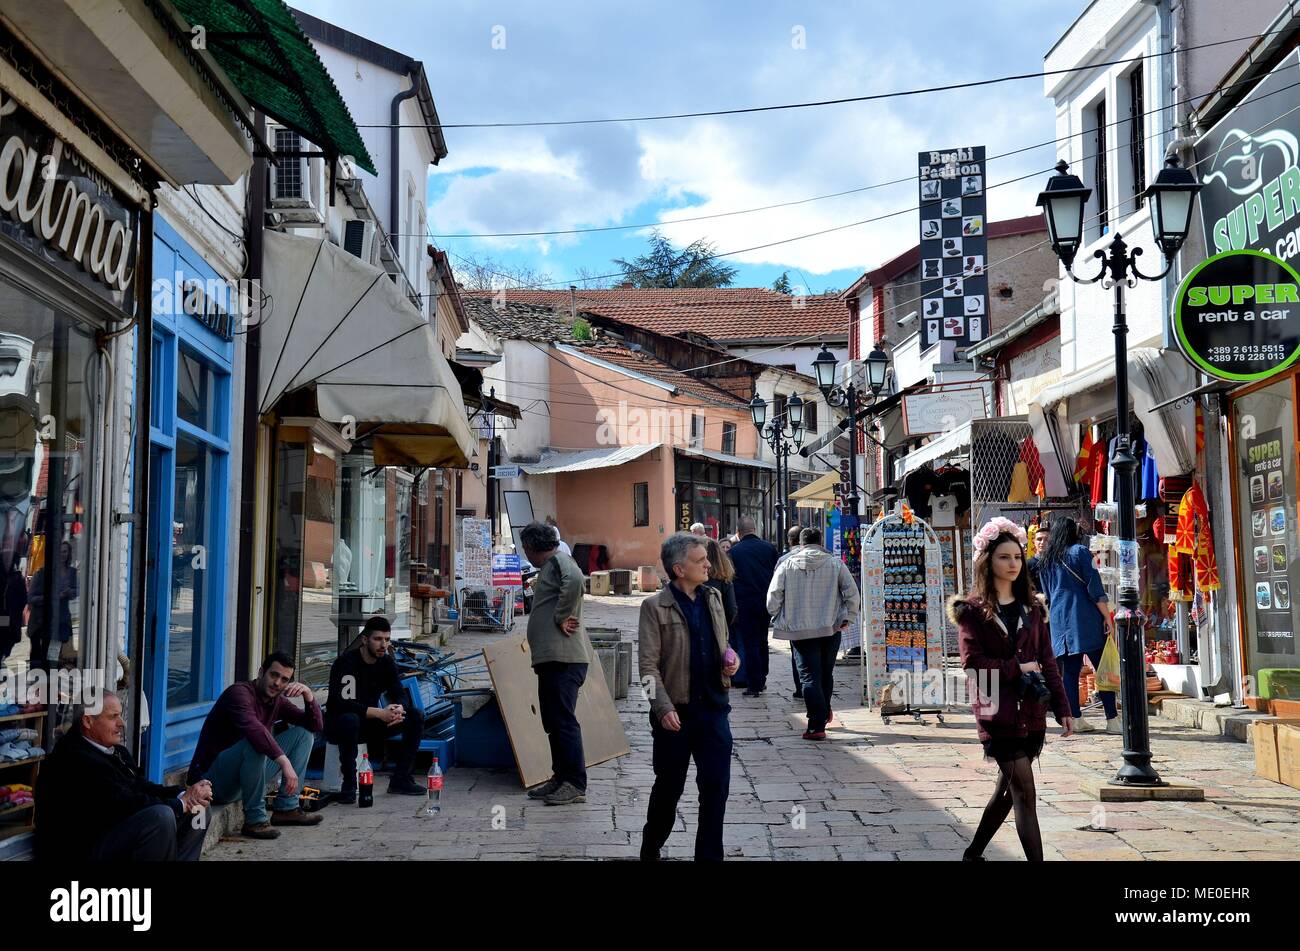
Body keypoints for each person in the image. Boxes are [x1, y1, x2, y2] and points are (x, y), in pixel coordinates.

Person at [950, 517, 1073, 863]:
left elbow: (1048, 660)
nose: (1013, 564)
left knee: (1007, 791)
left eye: (1017, 557)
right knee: (1024, 790)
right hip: (996, 712)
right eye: (1004, 557)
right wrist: (1015, 668)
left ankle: (973, 854)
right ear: (988, 561)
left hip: (1031, 712)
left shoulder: (1033, 608)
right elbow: (971, 662)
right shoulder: (973, 611)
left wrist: (1063, 708)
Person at [638, 533, 741, 861]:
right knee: (668, 791)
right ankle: (651, 845)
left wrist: (731, 659)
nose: (709, 564)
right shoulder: (654, 607)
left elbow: (722, 644)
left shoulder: (713, 596)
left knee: (715, 792)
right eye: (700, 560)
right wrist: (662, 707)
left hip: (714, 710)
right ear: (679, 569)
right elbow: (646, 669)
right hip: (675, 717)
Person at [36, 693, 211, 861]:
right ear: (88, 721)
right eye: (113, 717)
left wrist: (182, 794)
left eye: (120, 716)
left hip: (115, 833)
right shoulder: (73, 758)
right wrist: (181, 804)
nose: (122, 723)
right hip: (83, 849)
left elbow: (142, 786)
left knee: (199, 809)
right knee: (160, 817)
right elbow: (125, 803)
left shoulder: (116, 751)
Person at [188, 652, 324, 839]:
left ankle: (287, 808)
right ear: (261, 672)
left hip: (244, 779)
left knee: (303, 735)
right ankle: (255, 821)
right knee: (256, 742)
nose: (277, 683)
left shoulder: (277, 701)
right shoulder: (238, 693)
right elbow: (254, 730)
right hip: (212, 782)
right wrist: (284, 762)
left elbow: (315, 726)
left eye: (284, 679)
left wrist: (309, 696)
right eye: (274, 675)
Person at [768, 528, 860, 740]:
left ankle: (816, 725)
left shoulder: (786, 564)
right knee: (826, 673)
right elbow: (852, 593)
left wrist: (777, 616)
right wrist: (848, 617)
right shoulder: (835, 563)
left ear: (800, 544)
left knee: (809, 676)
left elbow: (773, 597)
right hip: (830, 627)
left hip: (799, 630)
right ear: (820, 542)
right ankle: (823, 711)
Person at [521, 521, 589, 805]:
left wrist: (563, 615)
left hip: (564, 659)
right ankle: (560, 777)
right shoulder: (551, 565)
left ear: (531, 547)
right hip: (552, 659)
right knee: (553, 721)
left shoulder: (561, 561)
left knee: (562, 722)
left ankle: (574, 783)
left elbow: (576, 580)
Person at [326, 616, 426, 801]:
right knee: (350, 720)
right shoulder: (346, 663)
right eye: (378, 639)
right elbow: (340, 703)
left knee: (415, 716)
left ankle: (400, 779)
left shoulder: (386, 662)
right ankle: (348, 784)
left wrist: (398, 709)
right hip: (340, 726)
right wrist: (380, 713)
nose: (383, 644)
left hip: (370, 724)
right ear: (365, 640)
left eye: (387, 639)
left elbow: (399, 692)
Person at [1034, 517, 1118, 733]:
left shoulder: (1045, 561)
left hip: (1059, 620)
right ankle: (1112, 719)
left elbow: (1048, 595)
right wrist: (1107, 617)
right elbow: (1095, 587)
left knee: (1069, 672)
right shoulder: (1080, 551)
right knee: (1103, 670)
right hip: (1084, 616)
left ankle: (1076, 718)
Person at [728, 516, 778, 696]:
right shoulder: (769, 548)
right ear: (755, 529)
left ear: (738, 532)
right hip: (765, 603)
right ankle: (762, 678)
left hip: (744, 604)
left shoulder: (734, 552)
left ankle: (754, 683)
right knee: (763, 641)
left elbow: (730, 580)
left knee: (750, 644)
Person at [777, 525, 806, 699]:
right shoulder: (829, 559)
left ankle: (800, 687)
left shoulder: (784, 561)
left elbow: (776, 590)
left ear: (789, 540)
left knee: (797, 653)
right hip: (821, 616)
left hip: (793, 614)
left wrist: (776, 612)